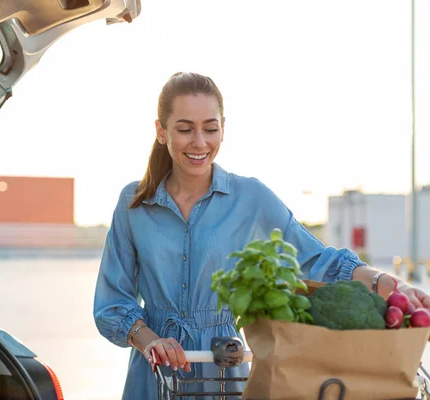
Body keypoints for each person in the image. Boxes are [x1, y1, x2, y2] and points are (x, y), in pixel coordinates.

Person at [92, 72, 430, 399]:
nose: (199, 142)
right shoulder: (133, 204)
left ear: (223, 129)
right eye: (185, 129)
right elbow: (112, 301)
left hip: (223, 370)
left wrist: (387, 284)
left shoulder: (251, 198)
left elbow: (315, 259)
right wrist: (149, 339)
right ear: (162, 131)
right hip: (153, 377)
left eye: (211, 128)